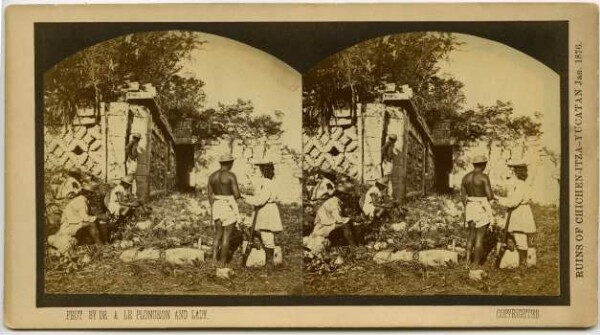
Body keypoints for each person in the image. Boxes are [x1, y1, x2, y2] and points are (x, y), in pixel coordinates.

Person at [242, 159, 283, 270]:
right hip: (264, 210)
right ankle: (259, 256)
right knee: (254, 231)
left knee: (267, 236)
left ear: (264, 170)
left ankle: (270, 262)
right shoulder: (266, 182)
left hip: (267, 211)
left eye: (260, 169)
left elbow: (259, 200)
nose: (258, 171)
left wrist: (244, 197)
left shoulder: (267, 183)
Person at [496, 160, 535, 267]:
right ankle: (516, 262)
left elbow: (512, 202)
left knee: (520, 238)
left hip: (520, 213)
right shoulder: (521, 184)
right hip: (521, 211)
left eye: (512, 171)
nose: (511, 173)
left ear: (516, 172)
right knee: (517, 237)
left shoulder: (520, 185)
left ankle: (523, 265)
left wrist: (497, 199)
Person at [207, 154, 243, 268]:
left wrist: (214, 207)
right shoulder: (231, 176)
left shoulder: (212, 176)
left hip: (217, 205)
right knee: (226, 236)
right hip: (228, 205)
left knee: (218, 234)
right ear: (229, 163)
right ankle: (222, 262)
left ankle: (213, 260)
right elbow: (237, 195)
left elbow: (210, 196)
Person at [461, 154, 495, 268]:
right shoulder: (484, 177)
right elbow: (490, 196)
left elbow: (462, 197)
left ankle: (466, 262)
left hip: (470, 207)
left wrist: (468, 208)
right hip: (481, 207)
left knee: (471, 235)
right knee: (480, 237)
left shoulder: (465, 177)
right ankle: (475, 264)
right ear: (483, 165)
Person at [48, 183, 102, 255]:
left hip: (72, 223)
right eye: (92, 194)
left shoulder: (82, 199)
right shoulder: (81, 201)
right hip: (68, 226)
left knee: (92, 222)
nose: (93, 196)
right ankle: (100, 245)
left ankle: (95, 242)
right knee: (92, 224)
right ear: (88, 194)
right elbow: (85, 218)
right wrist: (98, 217)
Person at [308, 183, 356, 248]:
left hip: (327, 224)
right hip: (322, 227)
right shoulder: (334, 203)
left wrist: (349, 218)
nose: (347, 197)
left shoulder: (336, 201)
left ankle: (347, 242)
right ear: (341, 195)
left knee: (347, 223)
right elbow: (339, 219)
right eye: (346, 195)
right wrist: (352, 218)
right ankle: (354, 246)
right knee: (345, 225)